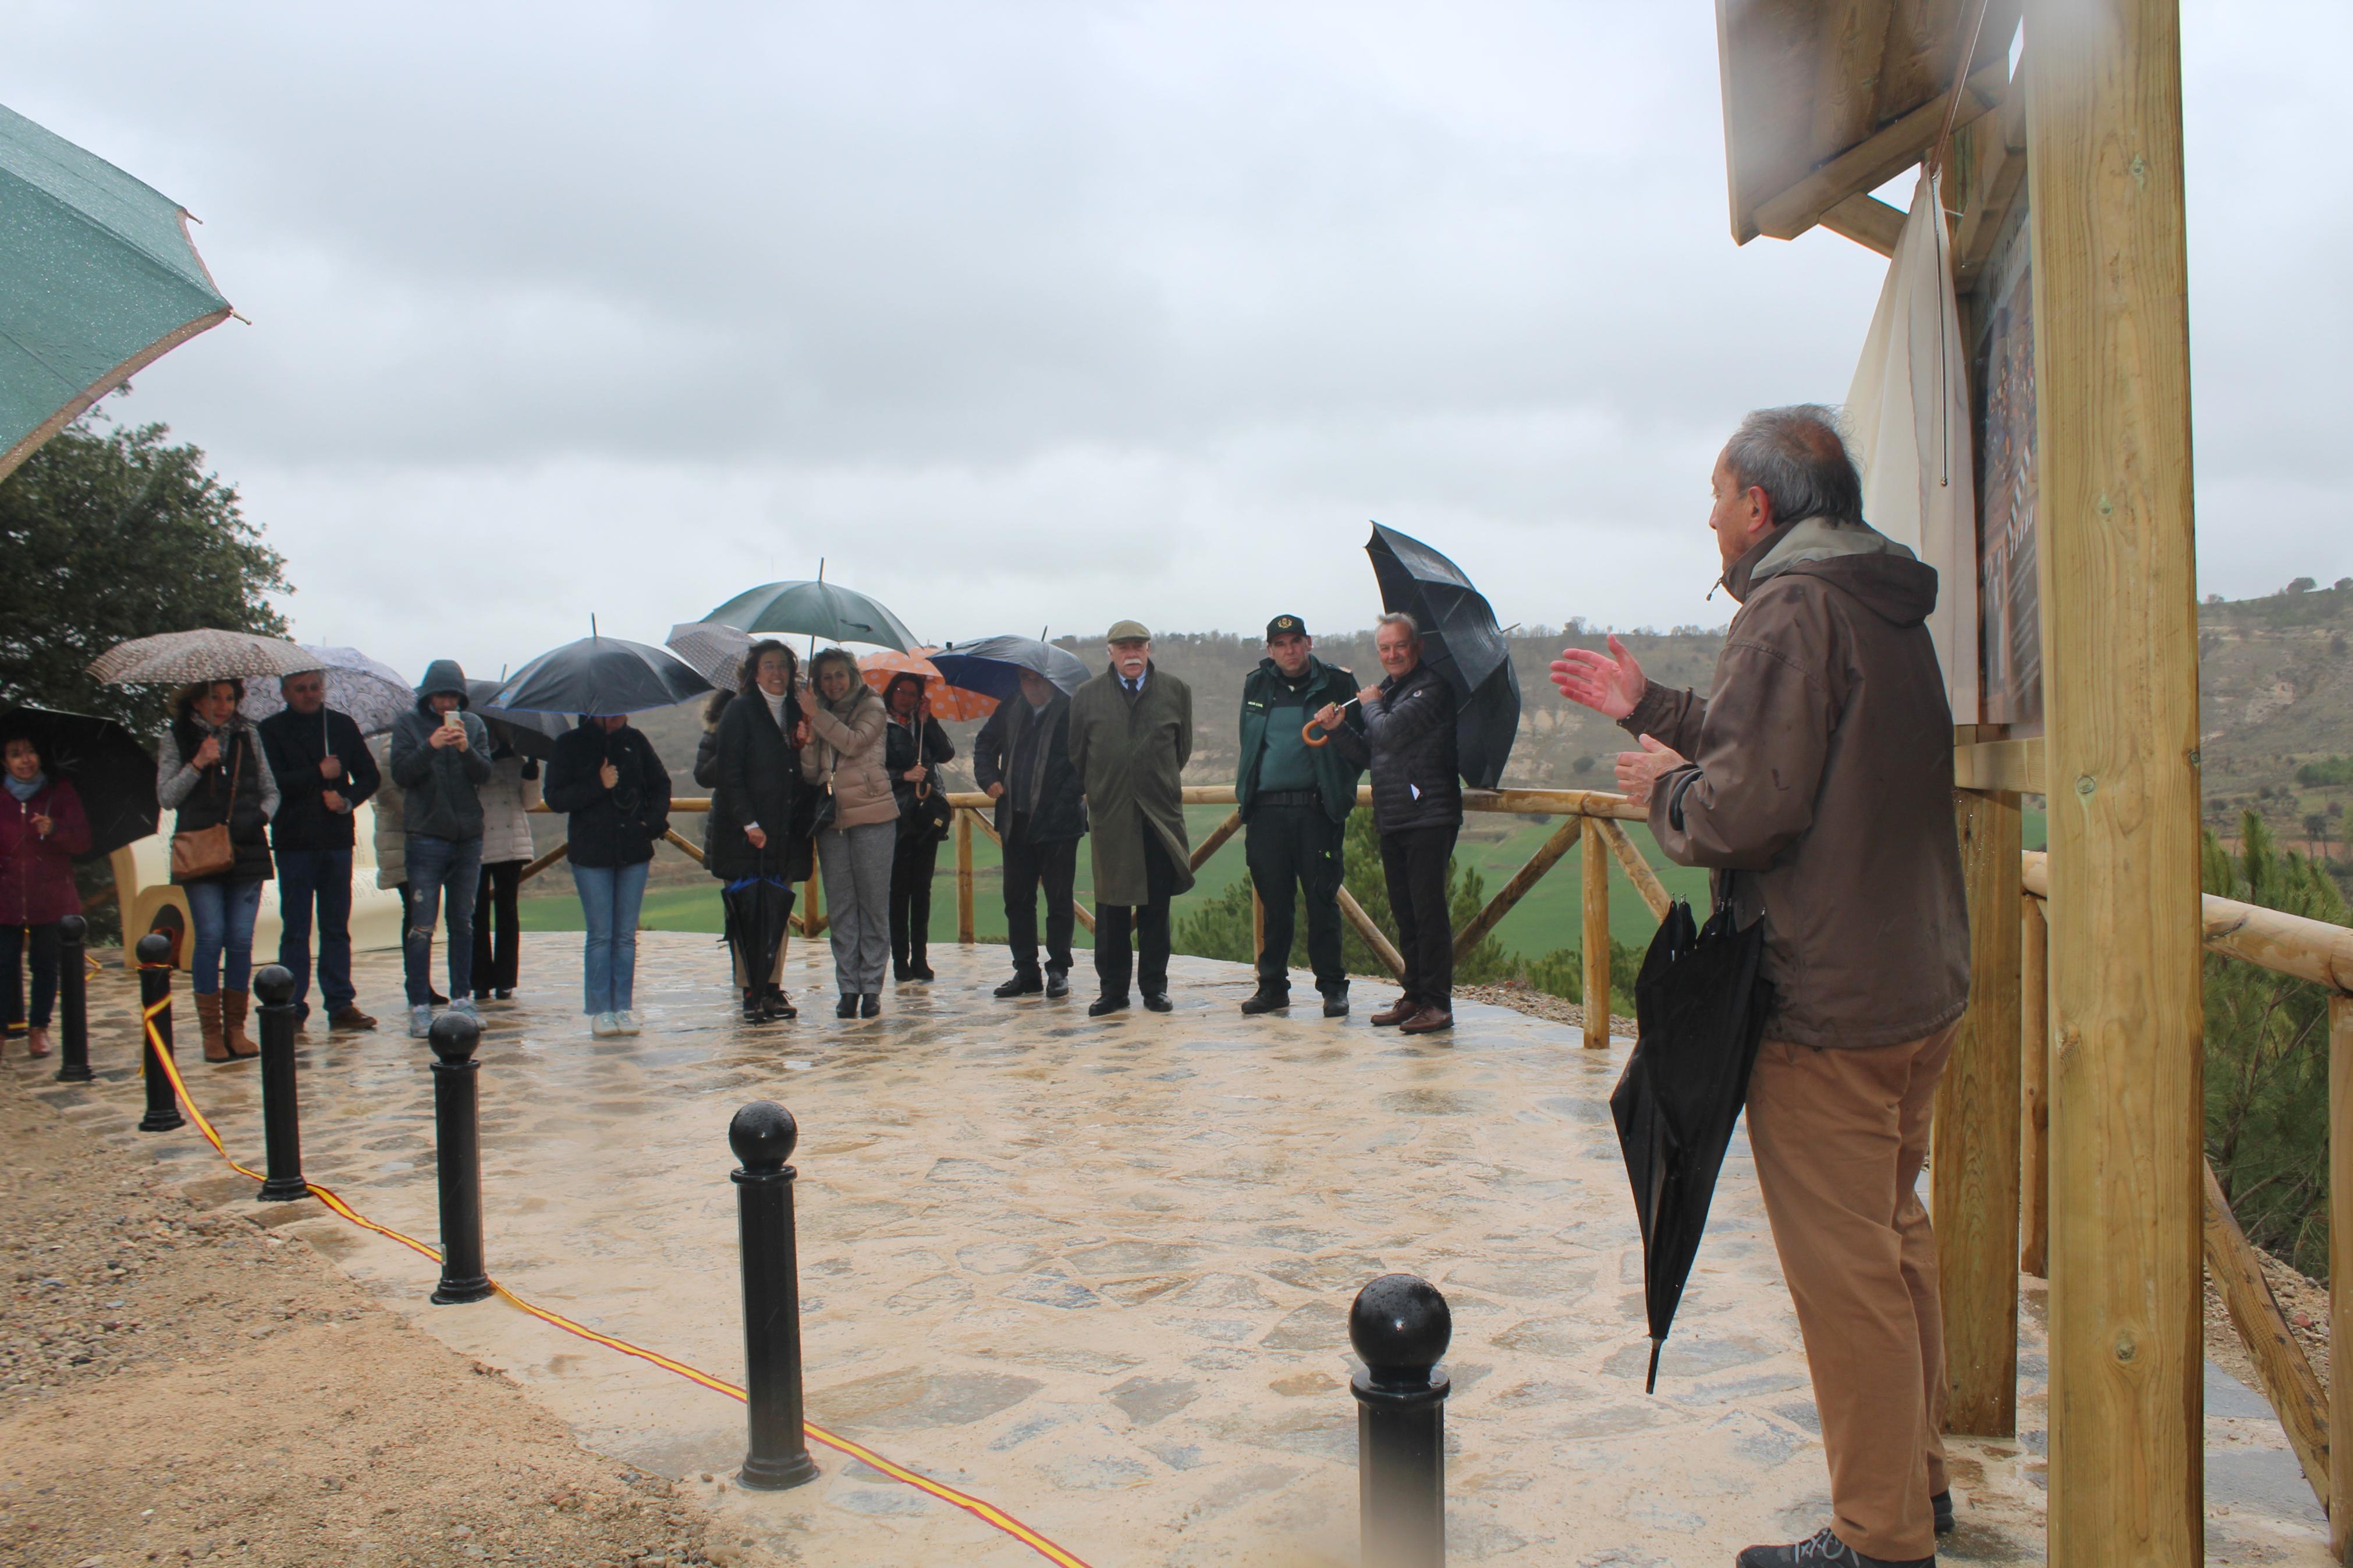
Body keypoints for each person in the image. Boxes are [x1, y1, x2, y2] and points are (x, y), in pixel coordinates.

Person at [1552, 405, 1969, 1568]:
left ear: (1759, 507)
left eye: (1714, 494)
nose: (1707, 515)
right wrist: (1652, 709)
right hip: (1909, 981)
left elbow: (1744, 805)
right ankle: (1915, 1485)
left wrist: (1655, 786)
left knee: (1848, 1286)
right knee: (1892, 1243)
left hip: (1824, 1001)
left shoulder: (1787, 609)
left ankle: (1878, 1540)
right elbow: (1786, 749)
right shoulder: (1869, 601)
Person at [1318, 612, 1458, 1034]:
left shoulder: (1431, 688)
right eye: (1384, 647)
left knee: (1428, 912)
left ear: (1416, 647)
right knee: (1406, 913)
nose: (1392, 654)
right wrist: (1338, 730)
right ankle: (1414, 995)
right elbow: (1369, 754)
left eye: (1399, 646)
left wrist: (1369, 704)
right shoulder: (1395, 691)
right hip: (1395, 816)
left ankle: (1437, 1003)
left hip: (1429, 815)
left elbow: (1390, 733)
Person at [1234, 614, 1362, 1018]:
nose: (1289, 650)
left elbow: (1360, 748)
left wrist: (1336, 785)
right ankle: (1272, 987)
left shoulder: (1338, 684)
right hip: (1266, 812)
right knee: (1275, 905)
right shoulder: (1256, 684)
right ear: (1270, 649)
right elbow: (1250, 742)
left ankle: (1332, 989)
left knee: (1322, 901)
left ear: (1309, 642)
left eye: (1295, 642)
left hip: (1316, 810)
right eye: (1280, 644)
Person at [1067, 621, 1194, 1016]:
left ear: (1149, 649)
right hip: (1111, 816)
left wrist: (1154, 783)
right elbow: (1077, 756)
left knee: (1156, 907)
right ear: (1110, 652)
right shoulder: (1087, 696)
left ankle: (1155, 988)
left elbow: (1181, 750)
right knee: (1111, 909)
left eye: (1138, 645)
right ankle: (1112, 991)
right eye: (1123, 647)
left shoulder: (1175, 691)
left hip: (1159, 816)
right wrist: (1104, 793)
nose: (1131, 653)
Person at [158, 679, 281, 1061]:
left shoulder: (249, 735)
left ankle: (236, 1027)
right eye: (215, 697)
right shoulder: (174, 736)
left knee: (241, 939)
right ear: (196, 699)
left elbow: (271, 789)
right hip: (201, 849)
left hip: (247, 847)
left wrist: (260, 816)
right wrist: (197, 763)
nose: (224, 705)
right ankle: (211, 1031)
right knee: (211, 936)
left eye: (230, 697)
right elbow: (166, 796)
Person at [257, 669, 383, 1033]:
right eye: (301, 689)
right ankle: (292, 1006)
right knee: (295, 928)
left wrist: (346, 799)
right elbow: (274, 783)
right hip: (294, 841)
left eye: (315, 687)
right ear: (285, 692)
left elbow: (370, 776)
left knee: (336, 926)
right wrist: (318, 771)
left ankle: (340, 1003)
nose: (310, 694)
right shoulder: (271, 730)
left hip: (336, 839)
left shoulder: (341, 726)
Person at [544, 713, 672, 1037]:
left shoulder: (635, 740)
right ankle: (601, 1009)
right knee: (601, 934)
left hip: (633, 849)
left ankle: (623, 1007)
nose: (620, 714)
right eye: (612, 708)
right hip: (591, 852)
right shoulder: (569, 745)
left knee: (626, 934)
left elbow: (661, 784)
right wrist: (597, 784)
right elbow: (555, 798)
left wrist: (651, 823)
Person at [704, 640, 812, 1022]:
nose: (777, 672)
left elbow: (802, 772)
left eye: (783, 665)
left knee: (778, 907)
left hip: (786, 829)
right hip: (746, 832)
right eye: (769, 665)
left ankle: (772, 986)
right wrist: (748, 821)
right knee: (749, 909)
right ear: (754, 672)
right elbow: (728, 773)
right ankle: (751, 988)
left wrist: (802, 745)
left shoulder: (799, 711)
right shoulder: (740, 709)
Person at [388, 661, 492, 1039]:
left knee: (463, 921)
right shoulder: (408, 725)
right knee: (422, 925)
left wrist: (465, 748)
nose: (446, 701)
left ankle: (462, 998)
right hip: (426, 835)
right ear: (428, 694)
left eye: (452, 695)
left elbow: (485, 774)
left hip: (468, 835)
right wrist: (429, 746)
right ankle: (418, 1004)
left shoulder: (475, 726)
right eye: (440, 694)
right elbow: (400, 774)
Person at [973, 667, 1087, 1000]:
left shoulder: (1071, 709)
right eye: (1025, 679)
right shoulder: (1010, 705)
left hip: (1060, 824)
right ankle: (1026, 972)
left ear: (1051, 679)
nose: (1031, 686)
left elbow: (1086, 759)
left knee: (1060, 901)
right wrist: (989, 778)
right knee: (1017, 901)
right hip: (1016, 819)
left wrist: (1063, 798)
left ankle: (1058, 970)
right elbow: (984, 745)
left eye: (1036, 679)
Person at [798, 648, 895, 1018]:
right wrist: (808, 740)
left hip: (872, 815)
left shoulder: (873, 706)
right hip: (832, 819)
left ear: (853, 675)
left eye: (840, 674)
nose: (833, 683)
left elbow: (855, 742)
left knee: (872, 904)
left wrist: (816, 716)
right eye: (826, 677)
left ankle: (872, 987)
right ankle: (848, 988)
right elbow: (811, 774)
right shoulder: (819, 714)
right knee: (840, 907)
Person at [0, 731, 91, 1058]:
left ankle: (39, 1028)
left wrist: (55, 830)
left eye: (30, 752)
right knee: (4, 963)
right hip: (5, 898)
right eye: (15, 753)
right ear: (4, 761)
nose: (25, 760)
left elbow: (82, 842)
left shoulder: (59, 792)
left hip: (51, 896)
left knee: (45, 964)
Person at [882, 673, 956, 984]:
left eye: (913, 693)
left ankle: (921, 958)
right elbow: (873, 769)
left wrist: (930, 721)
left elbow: (946, 754)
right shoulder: (881, 725)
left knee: (922, 890)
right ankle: (900, 959)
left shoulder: (921, 724)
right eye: (901, 691)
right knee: (898, 891)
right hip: (894, 815)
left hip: (925, 817)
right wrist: (903, 775)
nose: (906, 698)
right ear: (891, 692)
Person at [471, 744, 540, 1004]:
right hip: (475, 842)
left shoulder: (515, 758)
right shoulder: (465, 754)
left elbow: (530, 803)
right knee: (475, 915)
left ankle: (505, 981)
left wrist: (531, 777)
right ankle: (479, 981)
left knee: (507, 913)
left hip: (512, 844)